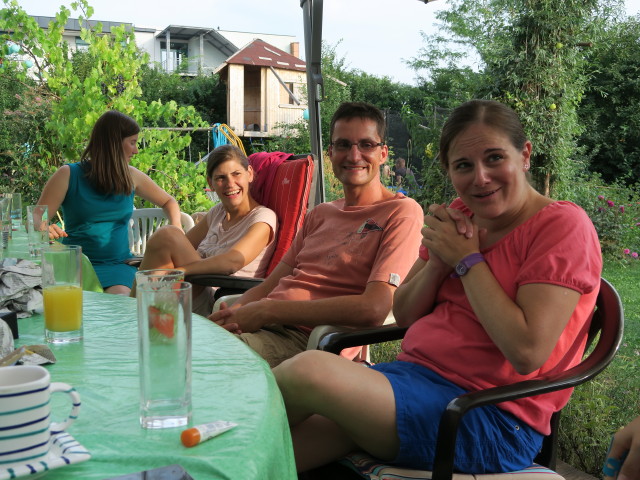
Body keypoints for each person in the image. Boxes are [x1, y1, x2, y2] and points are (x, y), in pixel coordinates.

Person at [272, 99, 602, 474]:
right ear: (449, 171)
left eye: (494, 158)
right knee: (268, 457)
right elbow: (408, 312)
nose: (480, 178)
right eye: (463, 165)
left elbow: (526, 352)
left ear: (524, 155)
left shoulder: (561, 227)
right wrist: (440, 263)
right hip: (410, 384)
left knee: (309, 372)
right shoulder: (460, 216)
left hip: (484, 416)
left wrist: (468, 261)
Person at [209, 102, 423, 368]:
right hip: (263, 327)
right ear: (331, 153)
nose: (354, 156)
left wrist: (268, 311)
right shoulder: (320, 214)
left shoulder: (401, 212)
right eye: (343, 145)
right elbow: (270, 285)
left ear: (383, 153)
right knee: (180, 343)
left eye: (366, 145)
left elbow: (375, 309)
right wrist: (230, 314)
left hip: (307, 343)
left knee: (204, 361)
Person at [38, 110, 182, 295]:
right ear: (113, 144)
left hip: (117, 266)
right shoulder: (68, 174)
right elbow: (37, 216)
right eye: (132, 142)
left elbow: (169, 201)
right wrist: (44, 226)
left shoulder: (131, 175)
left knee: (119, 305)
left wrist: (176, 227)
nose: (136, 150)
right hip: (75, 265)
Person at [132, 144, 278, 316]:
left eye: (236, 174)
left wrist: (180, 272)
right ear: (211, 183)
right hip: (194, 287)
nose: (230, 184)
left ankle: (131, 315)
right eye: (221, 178)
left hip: (220, 298)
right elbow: (182, 245)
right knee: (168, 236)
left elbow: (232, 262)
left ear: (250, 174)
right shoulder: (217, 213)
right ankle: (135, 315)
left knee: (168, 235)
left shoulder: (263, 218)